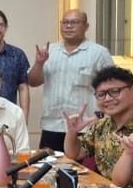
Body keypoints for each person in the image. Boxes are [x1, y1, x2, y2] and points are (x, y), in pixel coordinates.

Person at [27, 9, 114, 152]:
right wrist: (39, 63)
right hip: (52, 126)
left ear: (86, 26)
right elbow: (33, 82)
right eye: (65, 22)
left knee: (82, 166)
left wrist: (101, 116)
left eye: (74, 22)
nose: (68, 26)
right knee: (48, 165)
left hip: (85, 127)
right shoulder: (50, 51)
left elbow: (112, 87)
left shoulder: (99, 53)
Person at [62, 66, 133, 178]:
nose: (107, 98)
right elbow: (75, 154)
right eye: (101, 94)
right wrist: (72, 132)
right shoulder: (100, 126)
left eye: (115, 92)